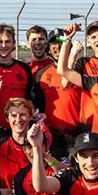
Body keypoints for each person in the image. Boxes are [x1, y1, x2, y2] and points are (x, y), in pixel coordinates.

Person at [36, 28, 83, 159]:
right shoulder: (42, 74)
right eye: (53, 44)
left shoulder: (79, 70)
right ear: (48, 48)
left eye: (61, 42)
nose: (57, 47)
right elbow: (39, 106)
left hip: (77, 133)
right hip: (54, 136)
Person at [0, 23, 37, 128]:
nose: (3, 45)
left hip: (19, 128)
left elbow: (29, 98)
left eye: (7, 41)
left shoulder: (24, 68)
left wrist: (35, 116)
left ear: (14, 43)